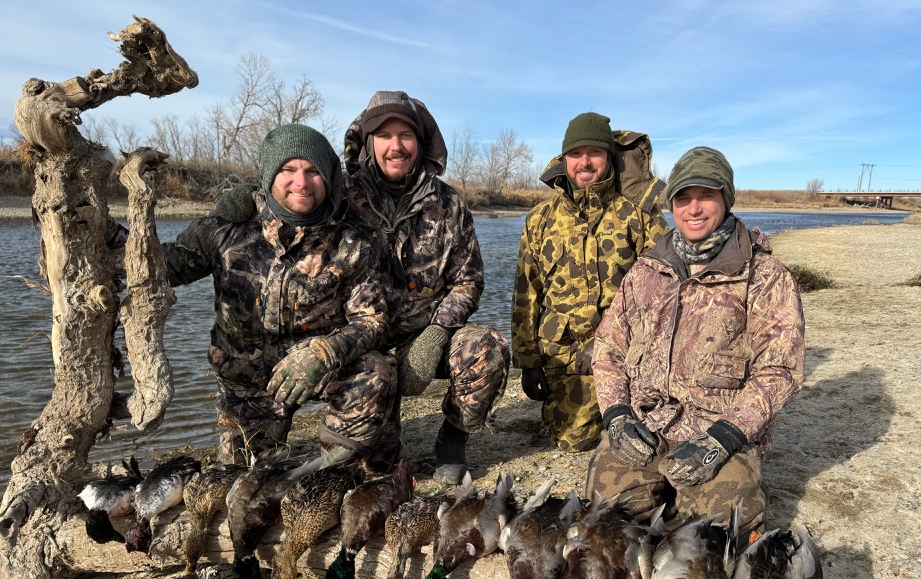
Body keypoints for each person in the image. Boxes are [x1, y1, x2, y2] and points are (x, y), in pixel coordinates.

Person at [586, 146, 805, 538]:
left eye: (706, 196)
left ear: (726, 199)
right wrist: (617, 416)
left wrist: (725, 437)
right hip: (646, 423)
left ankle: (724, 491)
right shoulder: (646, 271)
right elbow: (608, 351)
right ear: (671, 205)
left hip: (717, 429)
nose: (694, 208)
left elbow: (781, 370)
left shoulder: (766, 276)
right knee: (602, 522)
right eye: (683, 198)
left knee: (712, 539)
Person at [162, 123, 394, 467]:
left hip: (319, 368)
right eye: (288, 169)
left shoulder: (353, 240)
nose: (301, 182)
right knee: (243, 475)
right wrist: (101, 238)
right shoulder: (227, 227)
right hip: (247, 381)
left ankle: (341, 461)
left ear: (328, 179)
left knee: (375, 371)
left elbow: (372, 320)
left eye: (313, 171)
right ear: (270, 174)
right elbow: (163, 266)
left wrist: (324, 352)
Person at [343, 90, 510, 484]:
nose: (396, 146)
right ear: (368, 143)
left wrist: (437, 332)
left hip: (429, 335)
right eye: (384, 135)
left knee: (488, 348)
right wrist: (250, 202)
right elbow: (291, 198)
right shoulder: (342, 198)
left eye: (406, 135)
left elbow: (469, 280)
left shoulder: (449, 203)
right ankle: (373, 432)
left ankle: (452, 438)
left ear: (421, 142)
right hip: (364, 342)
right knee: (376, 472)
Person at [511, 112, 669, 452]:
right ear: (564, 159)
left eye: (594, 153)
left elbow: (665, 293)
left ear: (608, 158)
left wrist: (610, 341)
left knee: (646, 439)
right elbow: (526, 294)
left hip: (626, 352)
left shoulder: (639, 214)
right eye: (575, 153)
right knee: (574, 442)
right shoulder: (540, 220)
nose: (585, 162)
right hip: (565, 357)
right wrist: (528, 363)